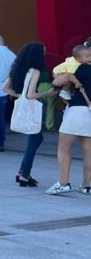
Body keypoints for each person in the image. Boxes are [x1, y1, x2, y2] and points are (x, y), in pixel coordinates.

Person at [4, 42, 53, 184]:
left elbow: (5, 87)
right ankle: (24, 173)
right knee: (36, 138)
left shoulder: (17, 68)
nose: (44, 55)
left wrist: (18, 95)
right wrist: (48, 93)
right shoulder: (35, 71)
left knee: (35, 138)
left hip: (22, 106)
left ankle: (22, 172)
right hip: (32, 108)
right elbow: (31, 94)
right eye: (43, 52)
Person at [47, 46, 91, 194]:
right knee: (88, 149)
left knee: (64, 147)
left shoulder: (82, 69)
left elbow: (57, 82)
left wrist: (67, 75)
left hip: (78, 110)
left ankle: (63, 182)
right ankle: (87, 185)